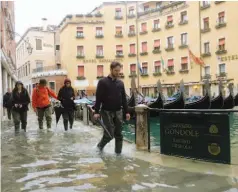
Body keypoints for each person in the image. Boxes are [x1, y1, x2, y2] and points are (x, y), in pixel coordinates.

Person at [93, 61, 130, 155]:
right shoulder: (102, 82)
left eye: (119, 71)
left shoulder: (121, 83)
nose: (118, 73)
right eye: (116, 70)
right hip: (106, 111)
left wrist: (127, 112)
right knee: (109, 134)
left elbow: (124, 99)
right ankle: (99, 147)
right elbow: (98, 98)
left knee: (119, 134)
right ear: (111, 69)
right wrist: (96, 111)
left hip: (118, 111)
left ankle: (118, 154)